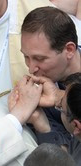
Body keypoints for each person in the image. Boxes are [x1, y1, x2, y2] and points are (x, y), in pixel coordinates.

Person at [21, 6, 81, 148]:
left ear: (69, 50)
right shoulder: (40, 96)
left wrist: (60, 98)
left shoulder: (52, 96)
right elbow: (64, 158)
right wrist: (40, 123)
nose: (31, 68)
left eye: (40, 58)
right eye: (26, 57)